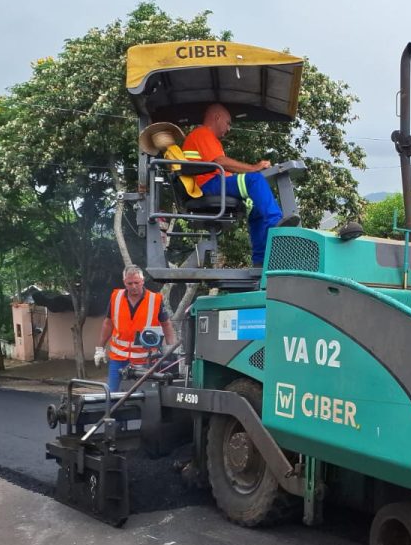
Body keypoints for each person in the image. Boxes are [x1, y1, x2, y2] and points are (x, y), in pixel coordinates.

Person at [182, 103, 300, 266]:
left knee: (255, 205)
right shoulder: (202, 133)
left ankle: (260, 260)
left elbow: (223, 169)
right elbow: (221, 162)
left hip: (214, 183)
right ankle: (275, 224)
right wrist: (253, 168)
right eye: (228, 123)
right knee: (255, 180)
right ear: (217, 117)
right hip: (208, 185)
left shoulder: (211, 141)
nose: (229, 129)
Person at [98, 265, 176, 393]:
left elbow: (166, 325)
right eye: (130, 283)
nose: (133, 286)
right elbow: (108, 323)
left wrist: (170, 349)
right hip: (118, 359)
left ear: (143, 281)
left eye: (137, 282)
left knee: (142, 397)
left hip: (145, 360)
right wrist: (100, 348)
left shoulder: (155, 299)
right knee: (113, 395)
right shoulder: (115, 297)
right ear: (124, 282)